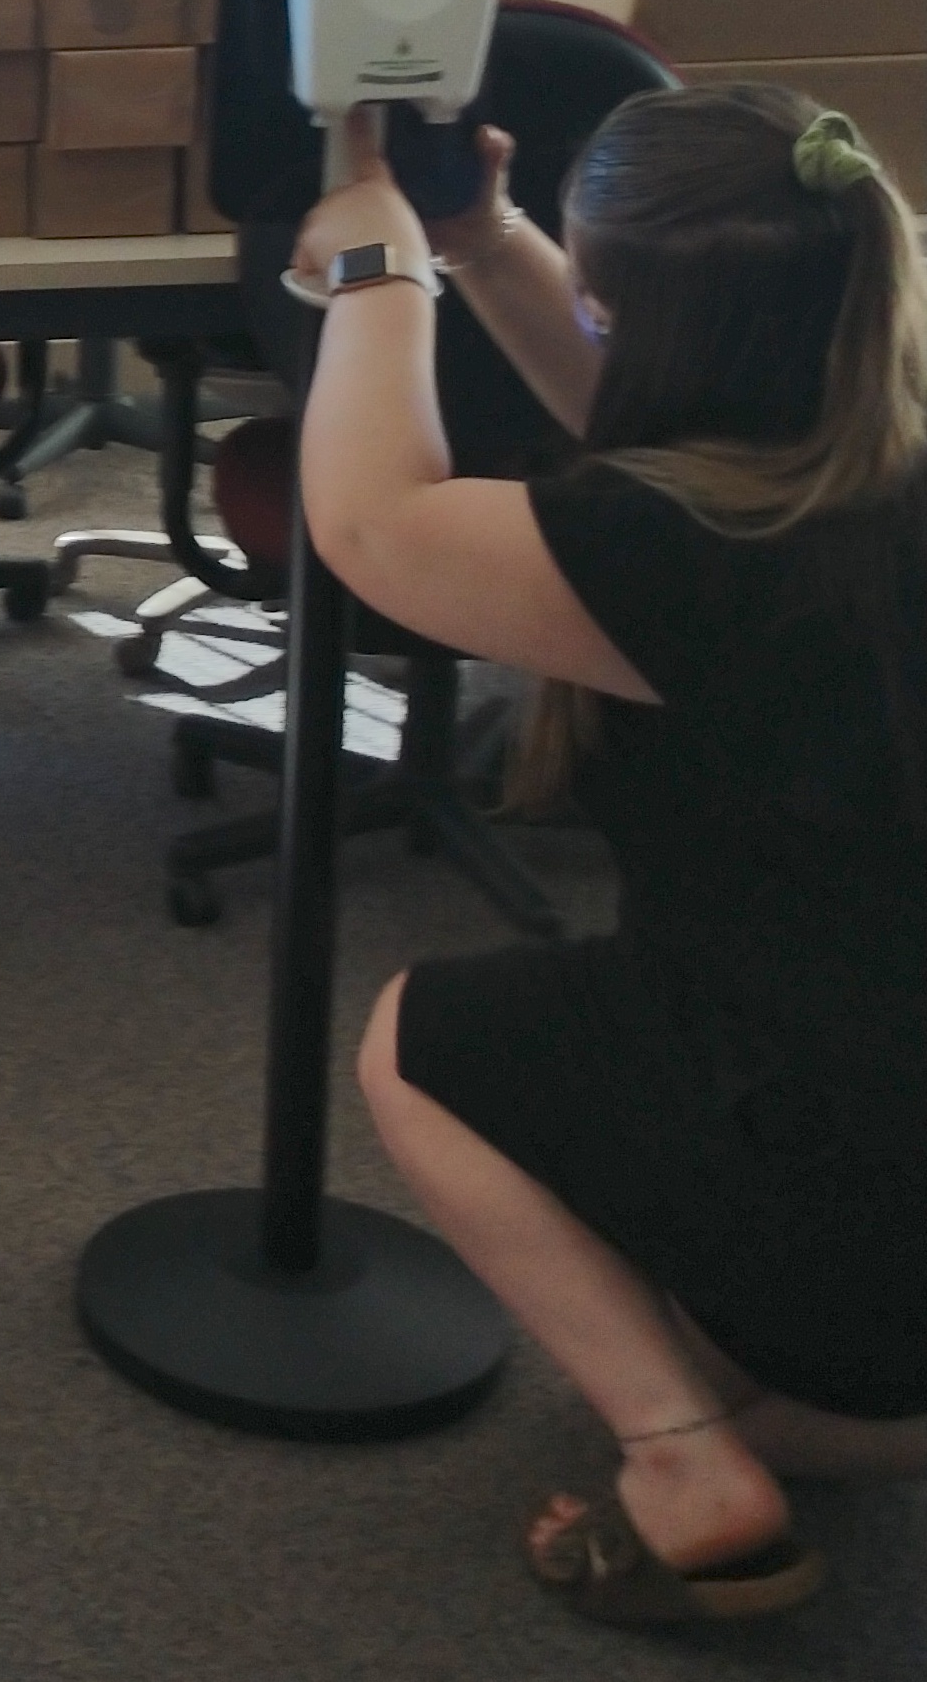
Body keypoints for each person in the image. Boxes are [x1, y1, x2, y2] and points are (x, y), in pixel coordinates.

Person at [287, 85, 927, 1627]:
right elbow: (667, 442)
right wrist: (484, 240)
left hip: (853, 1149)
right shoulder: (864, 466)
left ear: (647, 323)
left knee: (412, 1045)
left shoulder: (685, 565)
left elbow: (373, 525)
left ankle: (687, 1460)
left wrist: (377, 276)